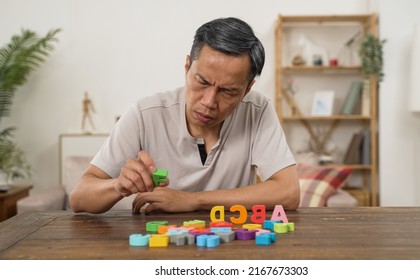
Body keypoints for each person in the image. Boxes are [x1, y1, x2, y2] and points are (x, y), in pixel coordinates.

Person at [69, 17, 300, 214]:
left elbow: (289, 192)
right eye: (202, 81)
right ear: (187, 67)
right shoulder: (144, 114)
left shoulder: (257, 110)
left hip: (231, 243)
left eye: (228, 91)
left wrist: (192, 200)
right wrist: (118, 185)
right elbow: (79, 198)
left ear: (247, 89)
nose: (209, 102)